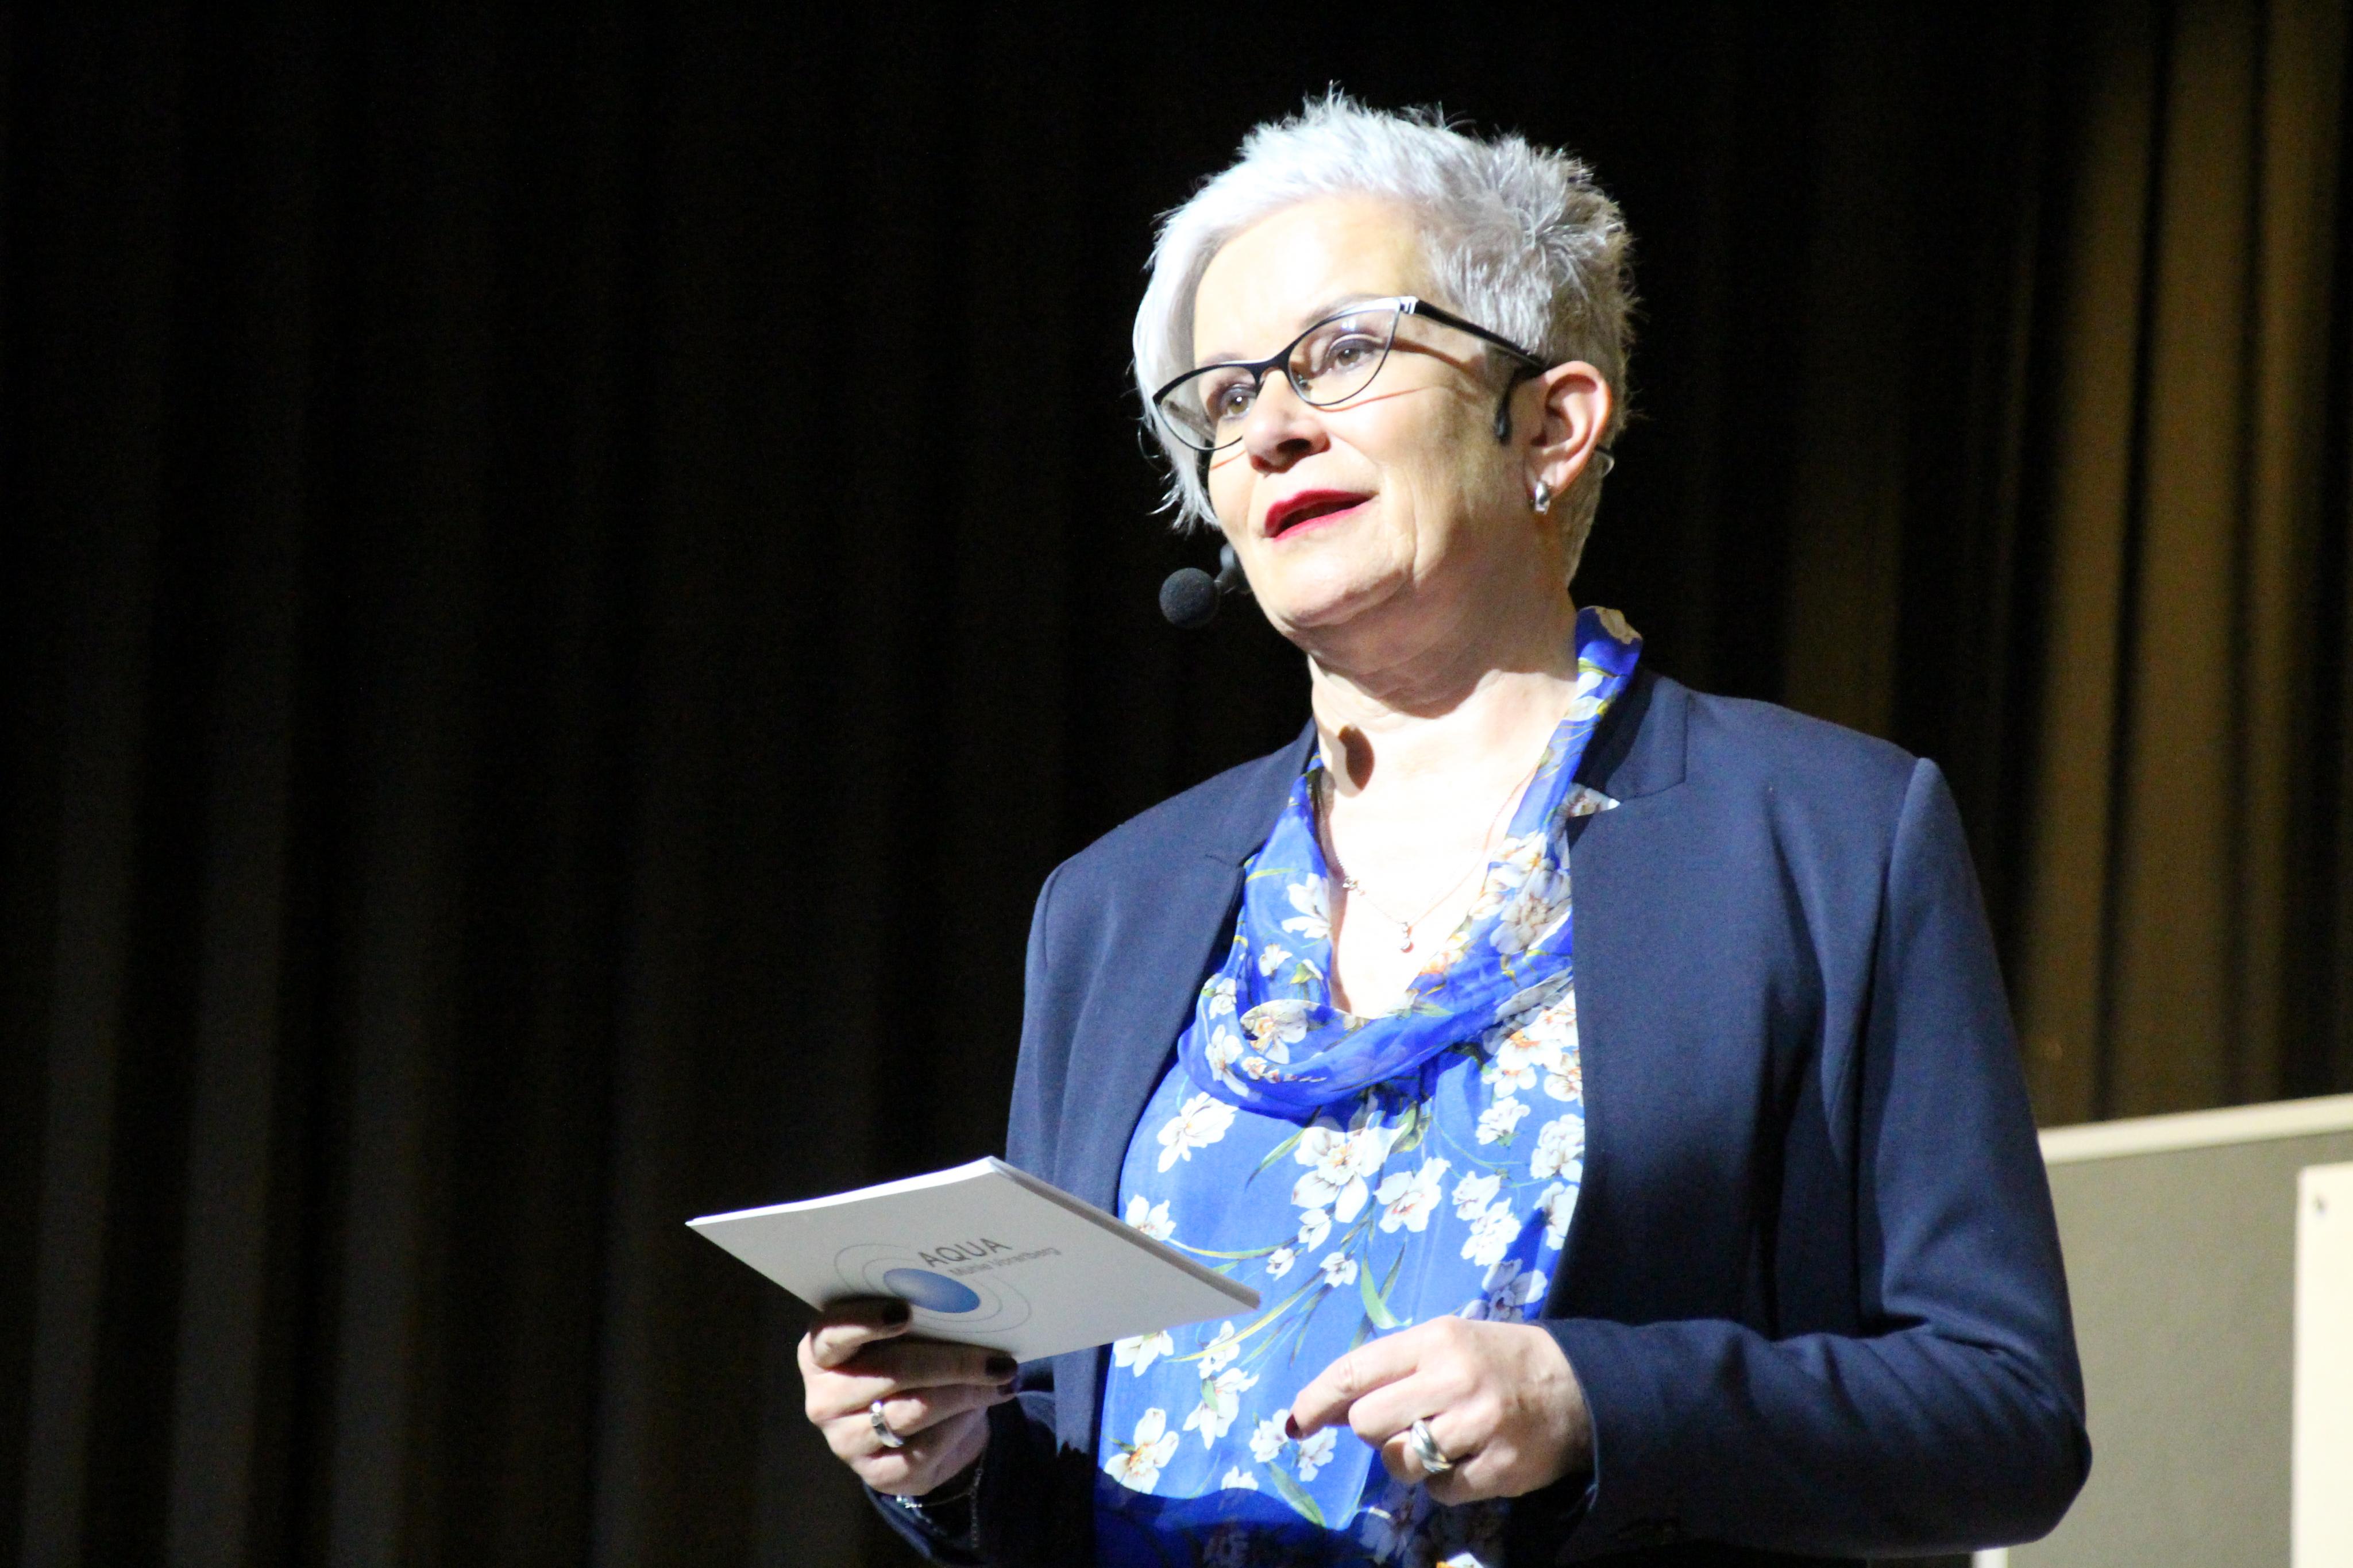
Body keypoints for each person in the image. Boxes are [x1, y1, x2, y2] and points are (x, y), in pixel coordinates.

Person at [797, 96, 2090, 1566]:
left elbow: (2003, 1414)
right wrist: (948, 1458)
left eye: (1341, 353)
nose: (1269, 428)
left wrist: (1590, 1399)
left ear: (1550, 423)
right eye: (1223, 399)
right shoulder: (1117, 904)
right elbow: (1069, 1454)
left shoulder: (1820, 837)